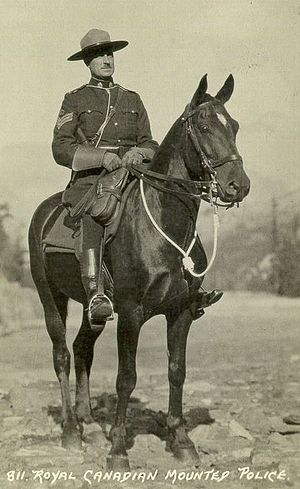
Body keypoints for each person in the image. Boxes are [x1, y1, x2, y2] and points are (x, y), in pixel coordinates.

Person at [52, 28, 222, 327]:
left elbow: (150, 143)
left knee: (172, 203)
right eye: (97, 55)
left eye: (109, 53)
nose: (105, 59)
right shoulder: (75, 100)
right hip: (92, 180)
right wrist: (101, 157)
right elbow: (61, 148)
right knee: (96, 210)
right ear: (87, 63)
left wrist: (138, 154)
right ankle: (96, 294)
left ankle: (190, 285)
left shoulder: (131, 99)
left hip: (131, 174)